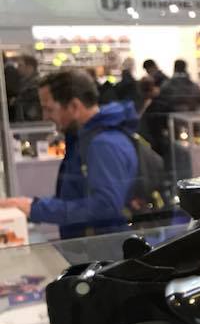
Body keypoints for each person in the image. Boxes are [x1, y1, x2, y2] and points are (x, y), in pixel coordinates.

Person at [0, 70, 140, 239]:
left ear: (74, 106)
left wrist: (36, 209)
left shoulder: (102, 144)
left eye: (49, 109)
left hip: (102, 249)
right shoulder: (86, 139)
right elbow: (76, 194)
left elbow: (105, 206)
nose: (45, 117)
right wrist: (33, 205)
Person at [12, 55, 42, 122]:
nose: (17, 68)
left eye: (20, 65)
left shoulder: (37, 84)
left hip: (32, 122)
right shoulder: (23, 83)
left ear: (29, 68)